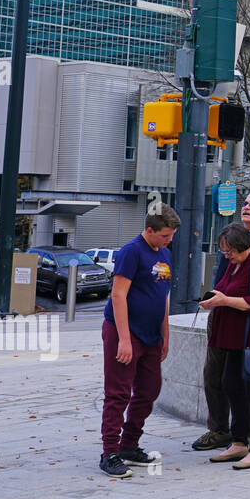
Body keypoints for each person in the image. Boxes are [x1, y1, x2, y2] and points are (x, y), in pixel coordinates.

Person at [192, 190, 250, 452]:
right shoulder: (232, 246)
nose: (245, 207)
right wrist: (214, 299)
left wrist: (225, 301)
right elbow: (225, 284)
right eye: (244, 203)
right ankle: (226, 433)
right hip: (229, 329)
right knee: (223, 379)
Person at [99, 204, 181, 478]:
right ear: (149, 230)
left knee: (149, 391)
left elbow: (162, 297)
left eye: (171, 236)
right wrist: (124, 339)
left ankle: (129, 446)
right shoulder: (131, 252)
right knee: (118, 392)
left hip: (151, 335)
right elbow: (119, 295)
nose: (169, 240)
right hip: (125, 331)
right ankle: (109, 452)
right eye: (165, 235)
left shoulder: (165, 253)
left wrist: (165, 334)